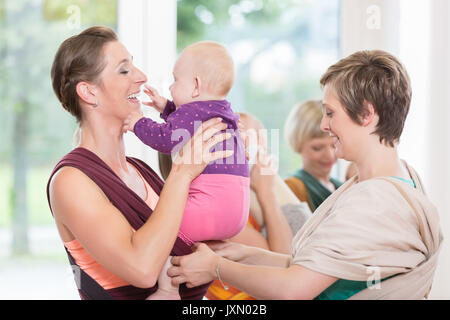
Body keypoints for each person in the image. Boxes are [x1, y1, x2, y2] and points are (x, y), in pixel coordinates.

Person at [167, 50, 443, 300]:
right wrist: (250, 255)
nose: (324, 125)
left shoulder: (374, 200)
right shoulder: (404, 179)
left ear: (366, 114)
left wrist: (216, 268)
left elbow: (294, 289)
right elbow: (324, 270)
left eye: (330, 113)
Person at [46, 26, 233, 300]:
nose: (141, 77)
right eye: (124, 70)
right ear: (88, 92)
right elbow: (142, 269)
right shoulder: (71, 181)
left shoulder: (142, 171)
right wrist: (181, 174)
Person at [122, 41, 249, 299]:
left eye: (175, 80)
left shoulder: (193, 113)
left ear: (196, 86)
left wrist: (138, 123)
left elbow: (166, 138)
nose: (170, 86)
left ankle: (168, 290)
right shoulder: (223, 110)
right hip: (236, 214)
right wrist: (165, 106)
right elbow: (185, 122)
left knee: (162, 229)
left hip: (208, 207)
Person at [284, 100, 342, 211]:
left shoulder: (342, 185)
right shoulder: (292, 187)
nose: (329, 156)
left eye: (334, 145)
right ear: (298, 144)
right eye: (317, 148)